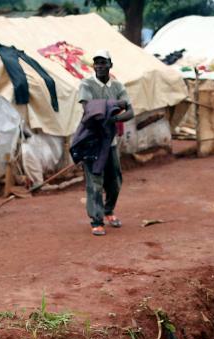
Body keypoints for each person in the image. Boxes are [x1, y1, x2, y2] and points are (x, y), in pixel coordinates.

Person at [78, 49, 133, 236]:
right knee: (94, 181)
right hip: (92, 140)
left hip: (110, 142)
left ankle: (109, 211)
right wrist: (114, 106)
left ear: (110, 65)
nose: (100, 66)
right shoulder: (86, 84)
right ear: (93, 66)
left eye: (103, 62)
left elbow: (130, 112)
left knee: (115, 180)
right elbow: (88, 109)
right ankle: (96, 220)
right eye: (97, 63)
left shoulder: (117, 86)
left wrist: (111, 119)